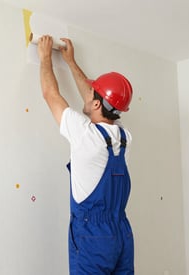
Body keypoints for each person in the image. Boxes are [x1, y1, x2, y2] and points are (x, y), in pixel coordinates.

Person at [37, 35, 134, 274]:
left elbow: (51, 94)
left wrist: (45, 57)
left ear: (98, 105)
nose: (87, 94)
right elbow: (95, 101)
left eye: (92, 94)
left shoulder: (85, 136)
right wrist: (70, 61)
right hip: (121, 233)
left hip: (92, 236)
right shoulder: (124, 138)